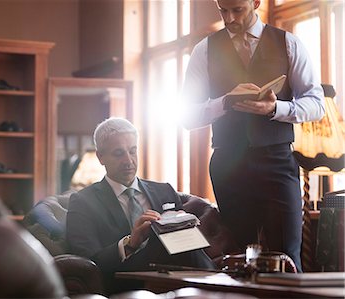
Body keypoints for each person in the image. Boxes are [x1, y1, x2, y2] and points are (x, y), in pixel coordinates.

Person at [181, 0, 325, 272]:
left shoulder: (288, 44)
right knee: (237, 258)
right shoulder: (205, 50)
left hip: (278, 160)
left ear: (256, 3)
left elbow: (316, 103)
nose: (229, 18)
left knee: (287, 256)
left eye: (237, 10)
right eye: (223, 10)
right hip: (227, 165)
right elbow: (187, 116)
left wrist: (276, 108)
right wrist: (223, 102)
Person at [66, 117, 214, 294]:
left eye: (132, 151)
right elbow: (86, 261)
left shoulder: (164, 190)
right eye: (119, 153)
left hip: (175, 271)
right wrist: (130, 243)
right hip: (124, 278)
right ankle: (217, 282)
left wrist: (186, 226)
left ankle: (215, 282)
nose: (128, 160)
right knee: (162, 241)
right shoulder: (82, 202)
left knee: (181, 242)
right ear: (101, 157)